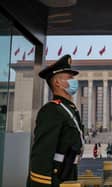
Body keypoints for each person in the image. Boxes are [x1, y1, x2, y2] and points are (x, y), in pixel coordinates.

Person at [27, 54, 84, 187]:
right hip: (54, 179)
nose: (74, 81)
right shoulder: (51, 111)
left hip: (67, 175)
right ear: (57, 83)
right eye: (70, 78)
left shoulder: (69, 110)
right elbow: (41, 155)